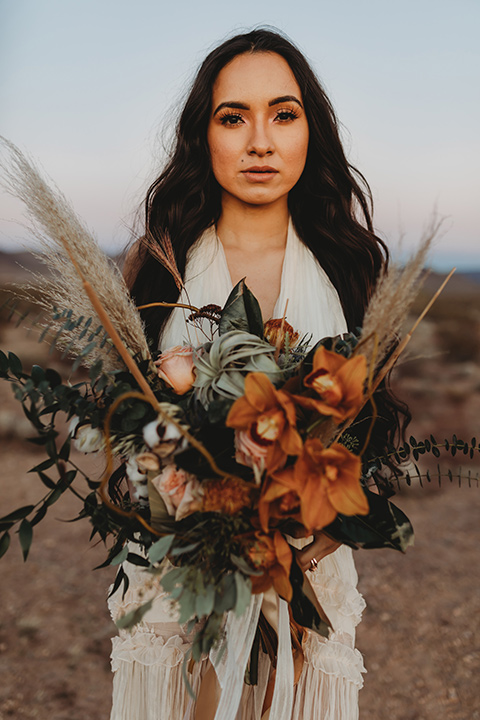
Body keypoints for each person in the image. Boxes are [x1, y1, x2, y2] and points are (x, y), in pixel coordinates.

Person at [109, 28, 404, 720]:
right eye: (233, 117)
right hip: (181, 572)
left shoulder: (347, 270)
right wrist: (187, 486)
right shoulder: (161, 266)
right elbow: (128, 420)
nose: (260, 142)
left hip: (305, 570)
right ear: (203, 136)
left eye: (283, 113)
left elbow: (362, 438)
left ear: (312, 132)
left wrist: (309, 533)